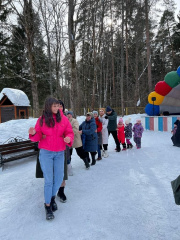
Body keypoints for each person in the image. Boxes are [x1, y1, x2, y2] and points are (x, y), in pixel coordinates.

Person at [28, 97, 74, 220]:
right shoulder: (42, 120)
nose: (57, 108)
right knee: (49, 180)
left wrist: (69, 138)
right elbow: (37, 136)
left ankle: (52, 197)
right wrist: (33, 134)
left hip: (59, 153)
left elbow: (69, 132)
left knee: (59, 178)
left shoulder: (63, 119)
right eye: (54, 106)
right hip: (46, 153)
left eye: (58, 105)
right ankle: (48, 205)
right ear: (48, 106)